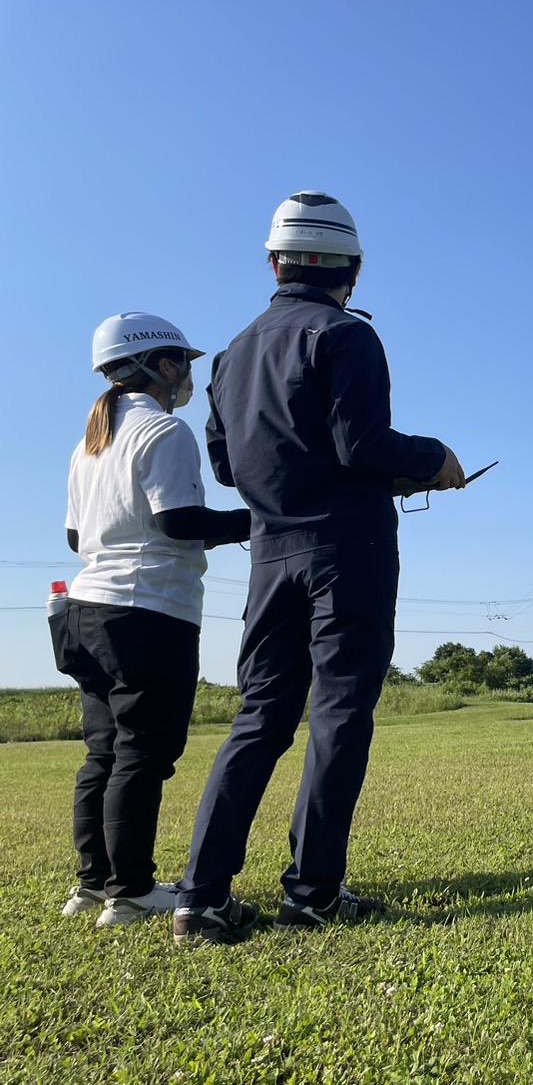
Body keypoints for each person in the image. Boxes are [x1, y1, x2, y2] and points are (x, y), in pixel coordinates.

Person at [173, 192, 465, 944]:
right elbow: (361, 446)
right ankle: (312, 893)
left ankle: (201, 898)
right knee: (338, 715)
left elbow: (227, 467)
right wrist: (434, 460)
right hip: (348, 549)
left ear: (274, 263)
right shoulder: (345, 336)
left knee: (260, 717)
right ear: (354, 270)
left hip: (270, 553)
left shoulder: (232, 353)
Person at [56, 313, 250, 928]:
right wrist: (259, 521)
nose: (188, 375)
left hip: (83, 609)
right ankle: (132, 891)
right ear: (162, 366)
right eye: (183, 363)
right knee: (142, 754)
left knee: (103, 754)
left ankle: (92, 887)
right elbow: (178, 523)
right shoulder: (163, 431)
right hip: (146, 612)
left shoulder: (91, 442)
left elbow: (72, 536)